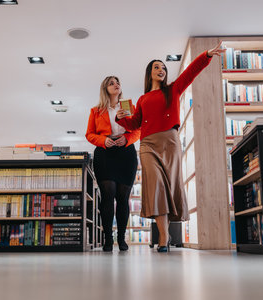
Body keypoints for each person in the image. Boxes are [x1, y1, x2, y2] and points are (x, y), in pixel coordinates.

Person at [116, 42, 225, 252]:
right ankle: (164, 238)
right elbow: (134, 124)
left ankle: (164, 237)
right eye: (157, 67)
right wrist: (121, 119)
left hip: (170, 142)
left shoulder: (173, 89)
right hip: (147, 144)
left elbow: (191, 72)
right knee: (155, 187)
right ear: (150, 73)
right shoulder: (142, 99)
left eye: (163, 67)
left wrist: (206, 55)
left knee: (169, 187)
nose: (161, 70)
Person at [86, 76, 140, 252]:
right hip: (105, 153)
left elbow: (139, 130)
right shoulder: (96, 111)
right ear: (105, 89)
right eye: (112, 83)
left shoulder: (129, 107)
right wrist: (103, 140)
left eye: (118, 82)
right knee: (107, 196)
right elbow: (89, 134)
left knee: (123, 198)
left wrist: (127, 138)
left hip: (126, 152)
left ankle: (122, 238)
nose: (116, 85)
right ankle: (108, 238)